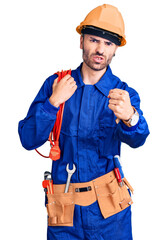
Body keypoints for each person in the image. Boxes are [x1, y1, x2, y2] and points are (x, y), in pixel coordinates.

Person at [18, 4, 149, 240]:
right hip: (64, 214)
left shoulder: (122, 93)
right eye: (93, 40)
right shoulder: (56, 85)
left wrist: (130, 117)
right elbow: (28, 139)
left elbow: (139, 139)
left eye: (108, 43)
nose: (100, 49)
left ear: (116, 49)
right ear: (81, 42)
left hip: (110, 214)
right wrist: (52, 103)